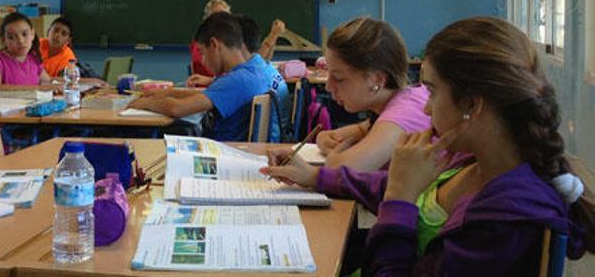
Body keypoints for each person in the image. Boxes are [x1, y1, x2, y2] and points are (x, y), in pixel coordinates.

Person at [261, 17, 595, 275]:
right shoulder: (471, 160)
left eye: (432, 92)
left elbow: (401, 198)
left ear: (473, 105)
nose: (424, 107)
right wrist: (315, 178)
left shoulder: (504, 218)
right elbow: (391, 184)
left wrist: (399, 200)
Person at [132, 12, 284, 141]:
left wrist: (146, 102)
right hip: (238, 148)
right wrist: (166, 93)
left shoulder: (237, 80)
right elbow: (208, 94)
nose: (203, 61)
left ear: (214, 44)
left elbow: (176, 109)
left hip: (222, 152)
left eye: (203, 53)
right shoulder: (256, 69)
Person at [314, 16, 430, 171]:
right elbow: (360, 131)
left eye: (339, 78)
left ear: (377, 80)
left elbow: (342, 171)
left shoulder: (404, 113)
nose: (328, 87)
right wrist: (322, 138)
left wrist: (334, 159)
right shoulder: (394, 102)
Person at [183, 14, 291, 141]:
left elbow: (178, 108)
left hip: (232, 148)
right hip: (271, 141)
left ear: (241, 44)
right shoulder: (266, 69)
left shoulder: (243, 78)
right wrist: (211, 81)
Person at [0, 13, 51, 87]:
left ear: (32, 34)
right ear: (4, 41)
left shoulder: (33, 58)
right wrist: (33, 90)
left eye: (25, 34)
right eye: (11, 37)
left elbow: (47, 81)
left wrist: (56, 86)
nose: (21, 41)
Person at [189, 0, 231, 78]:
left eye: (225, 17)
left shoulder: (233, 41)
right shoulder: (200, 43)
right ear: (207, 19)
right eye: (217, 17)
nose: (221, 21)